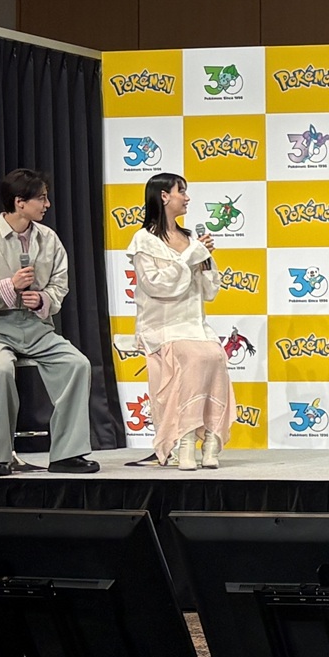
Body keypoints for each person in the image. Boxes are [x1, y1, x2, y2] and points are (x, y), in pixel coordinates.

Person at [0, 168, 100, 476]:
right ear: (20, 202)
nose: (47, 205)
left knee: (77, 364)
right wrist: (8, 287)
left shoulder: (49, 239)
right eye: (41, 198)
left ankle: (66, 454)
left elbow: (59, 285)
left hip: (36, 327)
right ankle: (0, 456)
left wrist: (43, 299)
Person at [128, 173, 233, 469]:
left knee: (216, 355)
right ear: (164, 196)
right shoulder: (144, 240)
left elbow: (209, 291)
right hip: (163, 327)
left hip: (195, 326)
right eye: (181, 191)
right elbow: (156, 285)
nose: (186, 198)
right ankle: (184, 441)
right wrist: (190, 257)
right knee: (195, 357)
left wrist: (205, 261)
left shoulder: (190, 240)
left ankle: (211, 440)